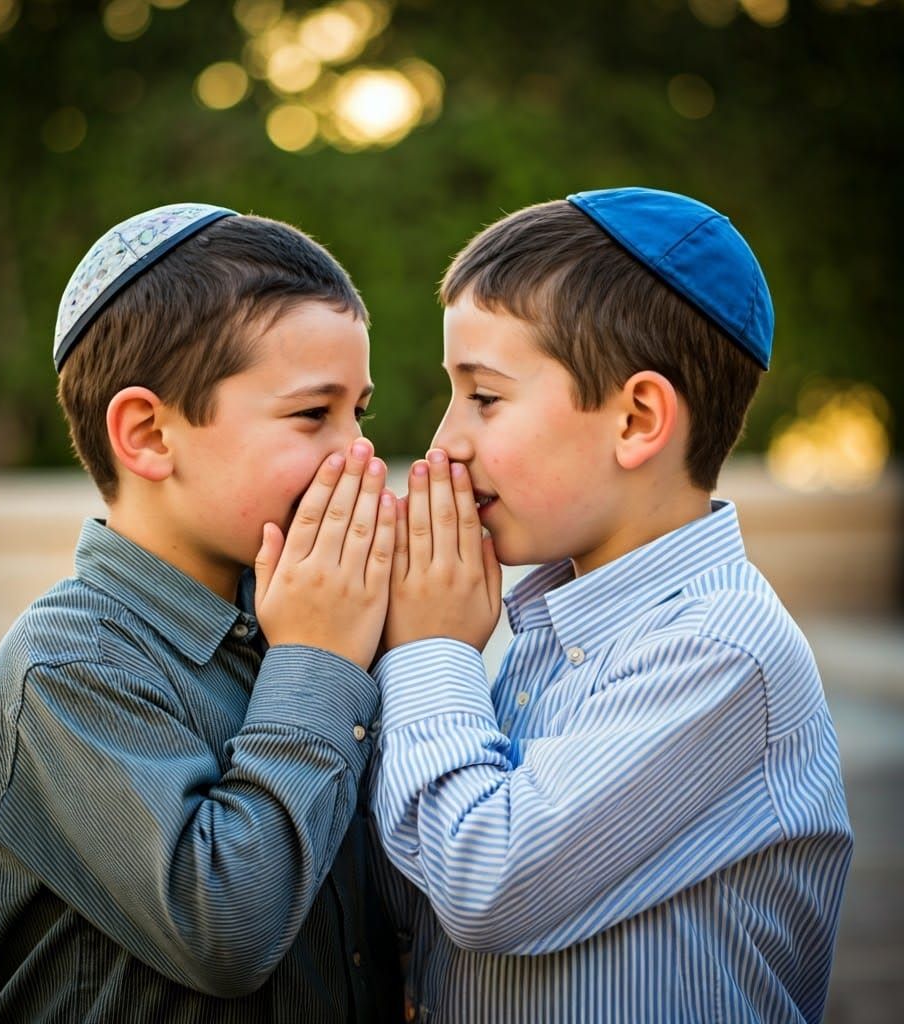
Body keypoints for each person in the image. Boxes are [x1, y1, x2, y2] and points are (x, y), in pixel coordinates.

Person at [369, 187, 853, 1023]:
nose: (446, 440)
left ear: (636, 419)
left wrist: (430, 651)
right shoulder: (545, 633)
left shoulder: (720, 650)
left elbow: (488, 884)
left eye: (484, 397)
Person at [0, 203, 402, 1023]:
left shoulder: (304, 614)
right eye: (313, 414)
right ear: (150, 435)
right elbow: (223, 929)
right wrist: (320, 665)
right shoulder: (67, 664)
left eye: (358, 414)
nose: (358, 452)